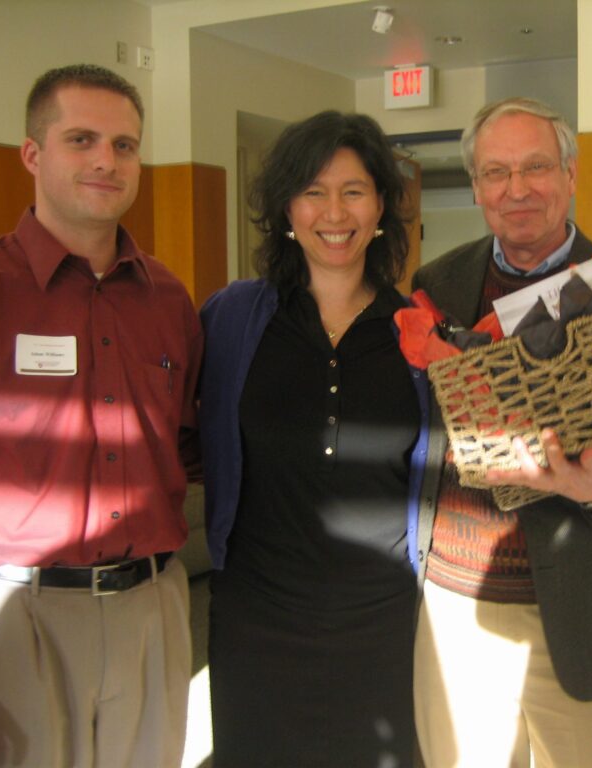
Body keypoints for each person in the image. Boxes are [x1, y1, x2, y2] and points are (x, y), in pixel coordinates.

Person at [410, 97, 592, 768]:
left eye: (536, 167)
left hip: (586, 609)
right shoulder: (436, 284)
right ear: (476, 186)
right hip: (453, 601)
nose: (517, 189)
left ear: (570, 173)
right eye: (496, 172)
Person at [0, 64, 202, 768]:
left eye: (125, 145)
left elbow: (190, 445)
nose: (106, 161)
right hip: (20, 618)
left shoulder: (169, 300)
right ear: (32, 154)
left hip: (152, 607)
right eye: (81, 139)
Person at [199, 111, 428, 767]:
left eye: (354, 191)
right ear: (286, 209)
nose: (334, 212)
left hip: (383, 625)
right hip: (256, 621)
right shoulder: (232, 318)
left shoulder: (417, 332)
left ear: (380, 206)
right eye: (312, 191)